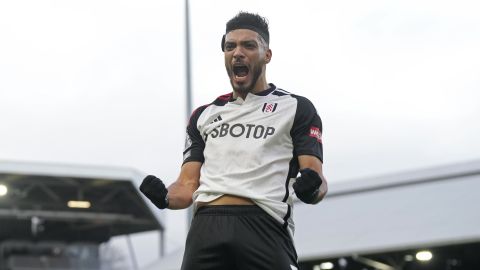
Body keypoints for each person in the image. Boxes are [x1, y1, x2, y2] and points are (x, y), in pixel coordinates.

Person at [140, 11, 328, 270]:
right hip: (207, 226)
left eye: (248, 45)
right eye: (230, 46)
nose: (237, 52)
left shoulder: (297, 107)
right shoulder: (203, 115)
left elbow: (316, 178)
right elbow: (186, 186)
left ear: (267, 55)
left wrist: (311, 189)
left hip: (265, 225)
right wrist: (164, 197)